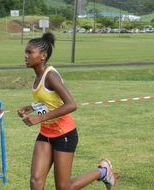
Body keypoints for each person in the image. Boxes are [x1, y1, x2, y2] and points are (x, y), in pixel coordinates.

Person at [17, 32, 116, 190]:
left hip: (64, 135)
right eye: (26, 52)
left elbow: (71, 104)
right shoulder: (37, 77)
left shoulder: (51, 76)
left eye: (30, 52)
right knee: (35, 181)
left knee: (64, 188)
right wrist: (30, 108)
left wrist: (39, 118)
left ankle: (103, 172)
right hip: (46, 134)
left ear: (43, 56)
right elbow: (49, 100)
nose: (26, 55)